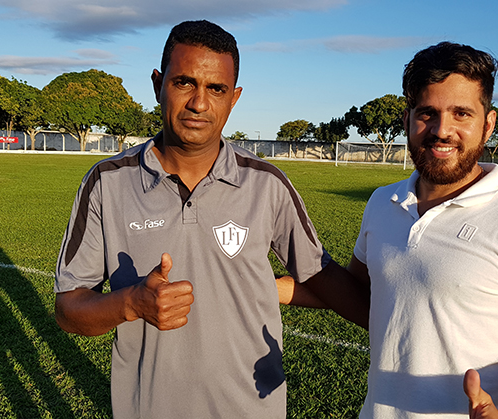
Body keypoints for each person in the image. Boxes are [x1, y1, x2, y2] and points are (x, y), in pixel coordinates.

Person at [54, 20, 367, 419]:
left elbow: (321, 277)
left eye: (216, 89)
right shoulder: (106, 183)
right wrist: (132, 302)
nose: (199, 103)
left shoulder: (266, 184)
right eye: (184, 83)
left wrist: (412, 325)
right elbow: (68, 309)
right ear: (157, 84)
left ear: (233, 97)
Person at [280, 42, 498, 418]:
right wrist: (251, 285)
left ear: (488, 124)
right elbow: (361, 296)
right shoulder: (383, 202)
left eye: (462, 113)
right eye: (428, 113)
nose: (443, 130)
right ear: (409, 119)